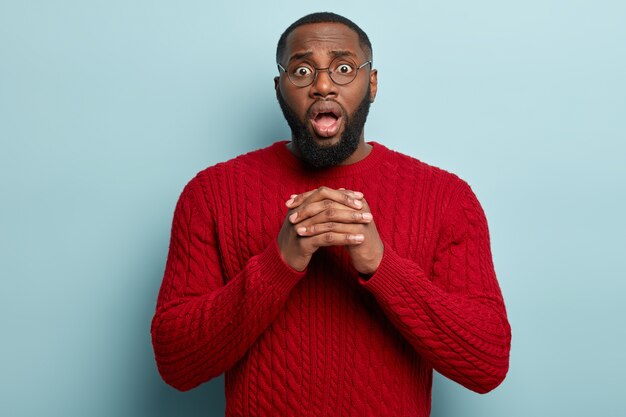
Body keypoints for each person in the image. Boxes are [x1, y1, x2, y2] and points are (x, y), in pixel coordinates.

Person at [151, 12, 511, 417]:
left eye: (343, 68)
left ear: (371, 84)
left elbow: (487, 365)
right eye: (302, 70)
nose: (322, 85)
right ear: (279, 89)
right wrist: (278, 264)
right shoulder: (211, 194)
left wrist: (381, 264)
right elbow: (176, 364)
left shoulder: (447, 198)